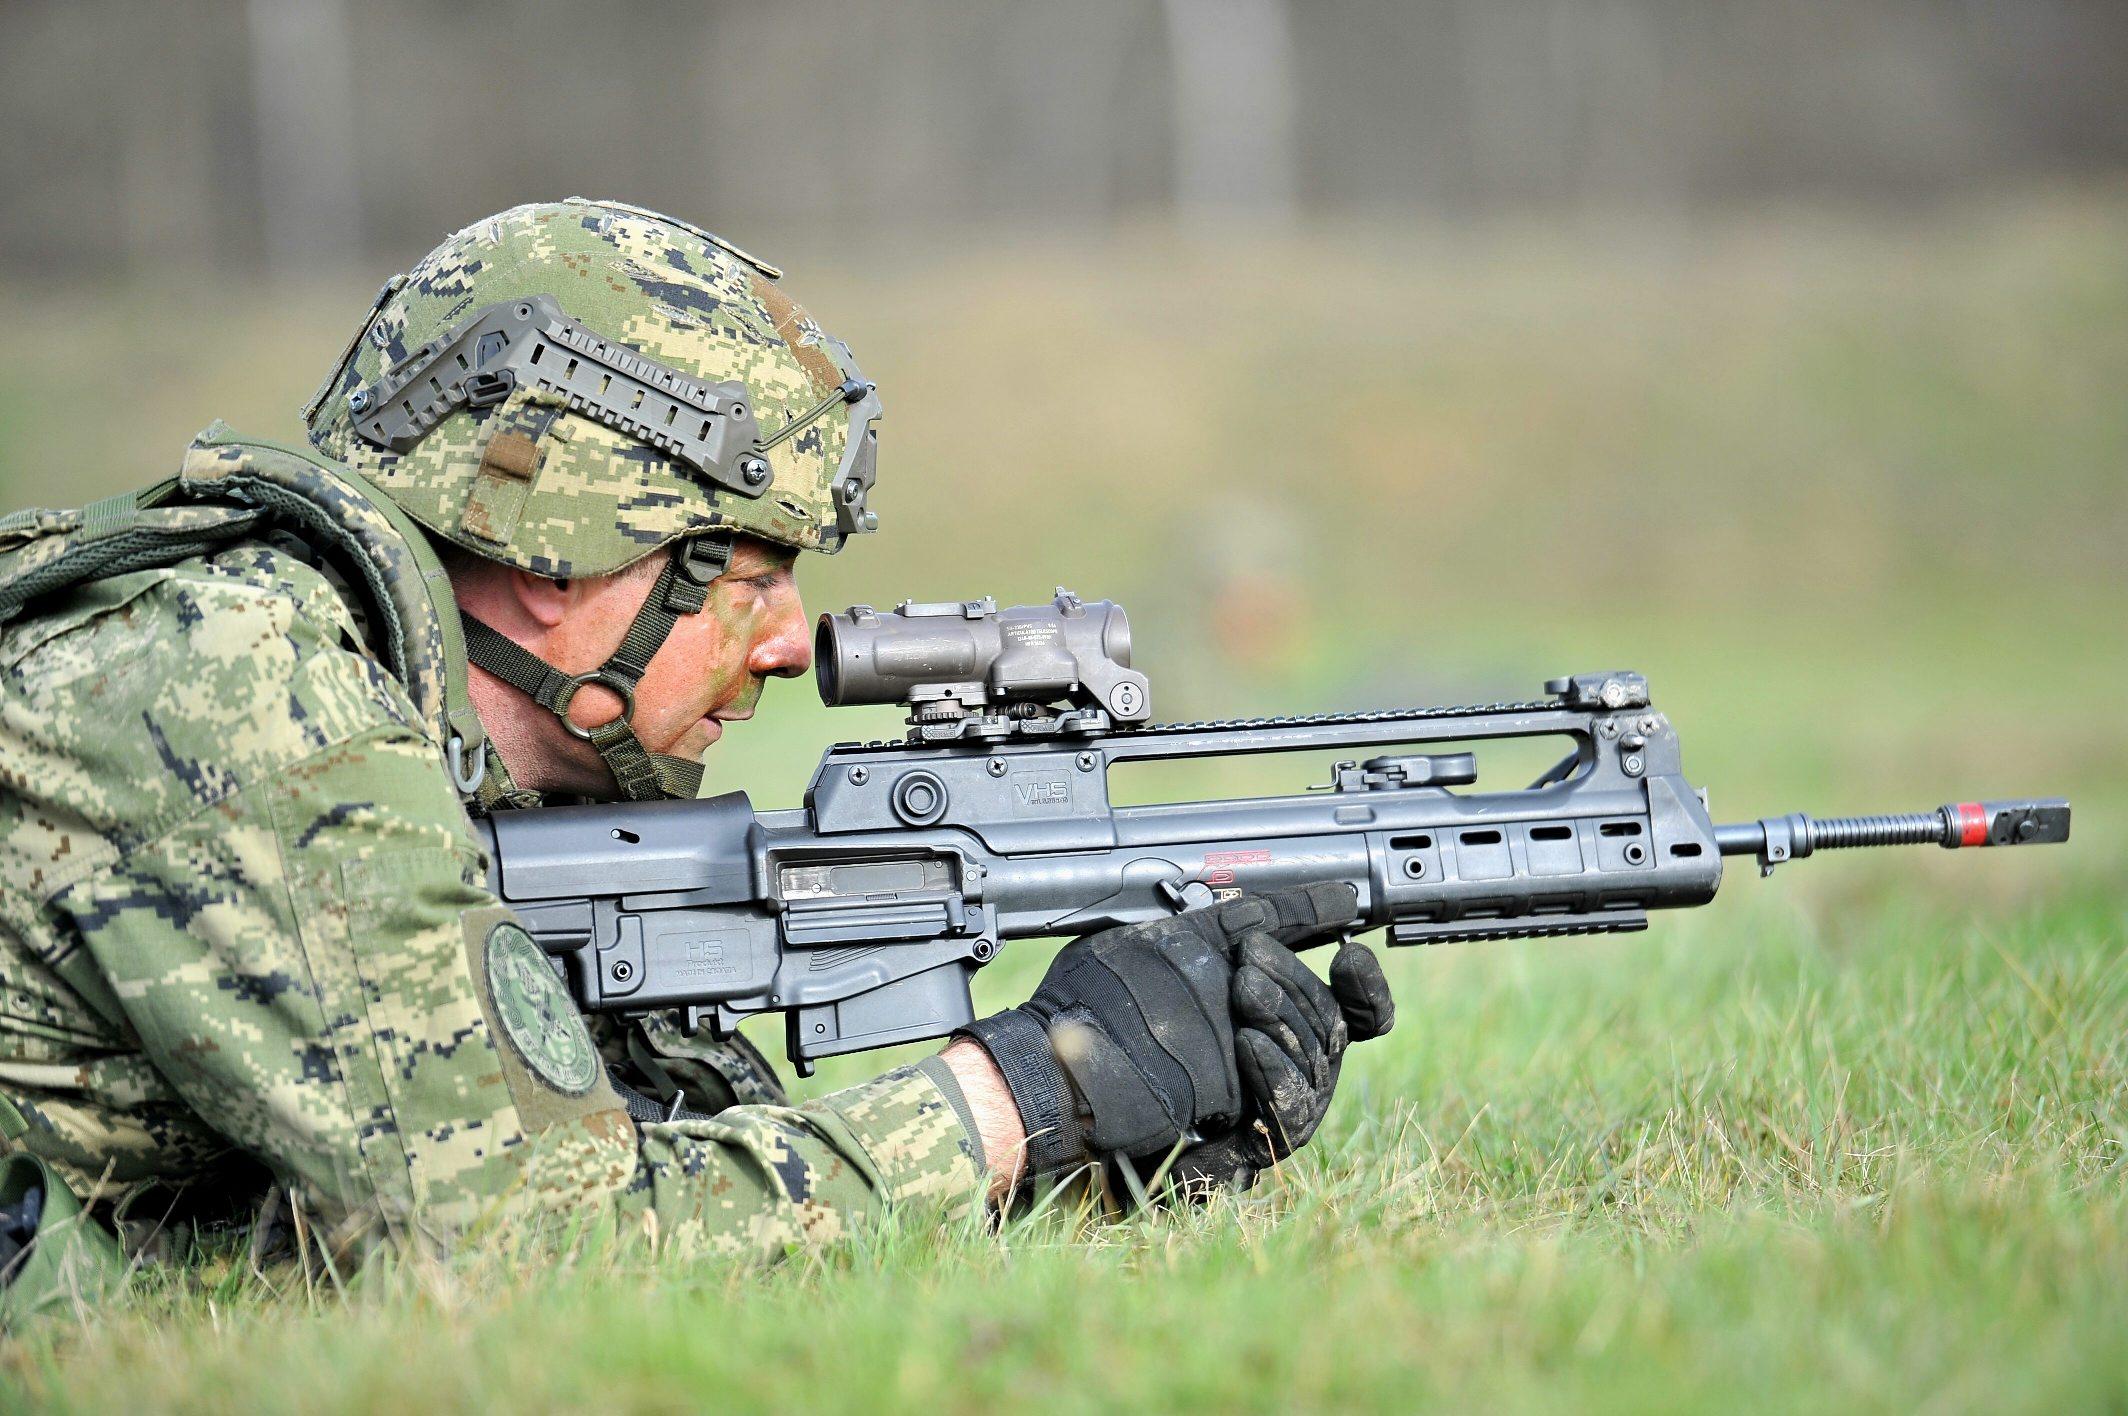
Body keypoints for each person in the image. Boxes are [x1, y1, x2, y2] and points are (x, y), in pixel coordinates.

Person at [0, 200, 1393, 1281]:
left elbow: (676, 1192)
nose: (792, 641)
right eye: (745, 573)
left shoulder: (460, 762)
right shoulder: (246, 694)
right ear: (554, 552)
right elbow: (529, 1257)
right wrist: (1032, 1088)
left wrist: (1114, 1142)